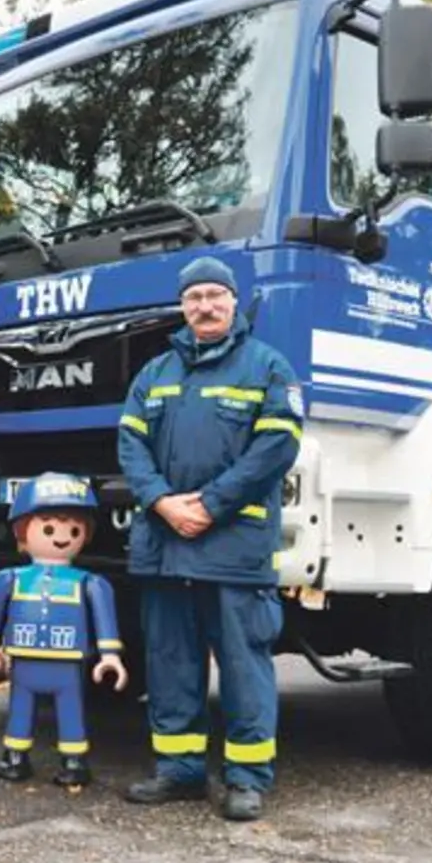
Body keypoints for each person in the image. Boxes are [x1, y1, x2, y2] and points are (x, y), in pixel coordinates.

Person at [115, 256, 303, 822]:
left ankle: (247, 778)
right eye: (194, 297)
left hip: (234, 546)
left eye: (215, 296)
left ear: (232, 301)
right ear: (182, 306)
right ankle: (179, 771)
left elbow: (277, 447)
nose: (204, 306)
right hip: (166, 542)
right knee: (170, 662)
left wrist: (211, 504)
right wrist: (162, 502)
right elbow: (130, 446)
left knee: (244, 665)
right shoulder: (154, 373)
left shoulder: (268, 367)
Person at [0, 472, 128, 788]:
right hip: (24, 658)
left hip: (68, 661)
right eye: (48, 528)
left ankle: (74, 761)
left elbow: (104, 619)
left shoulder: (90, 583)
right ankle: (15, 756)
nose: (61, 536)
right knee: (20, 709)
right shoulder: (10, 579)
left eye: (73, 528)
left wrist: (110, 656)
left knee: (70, 710)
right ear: (23, 531)